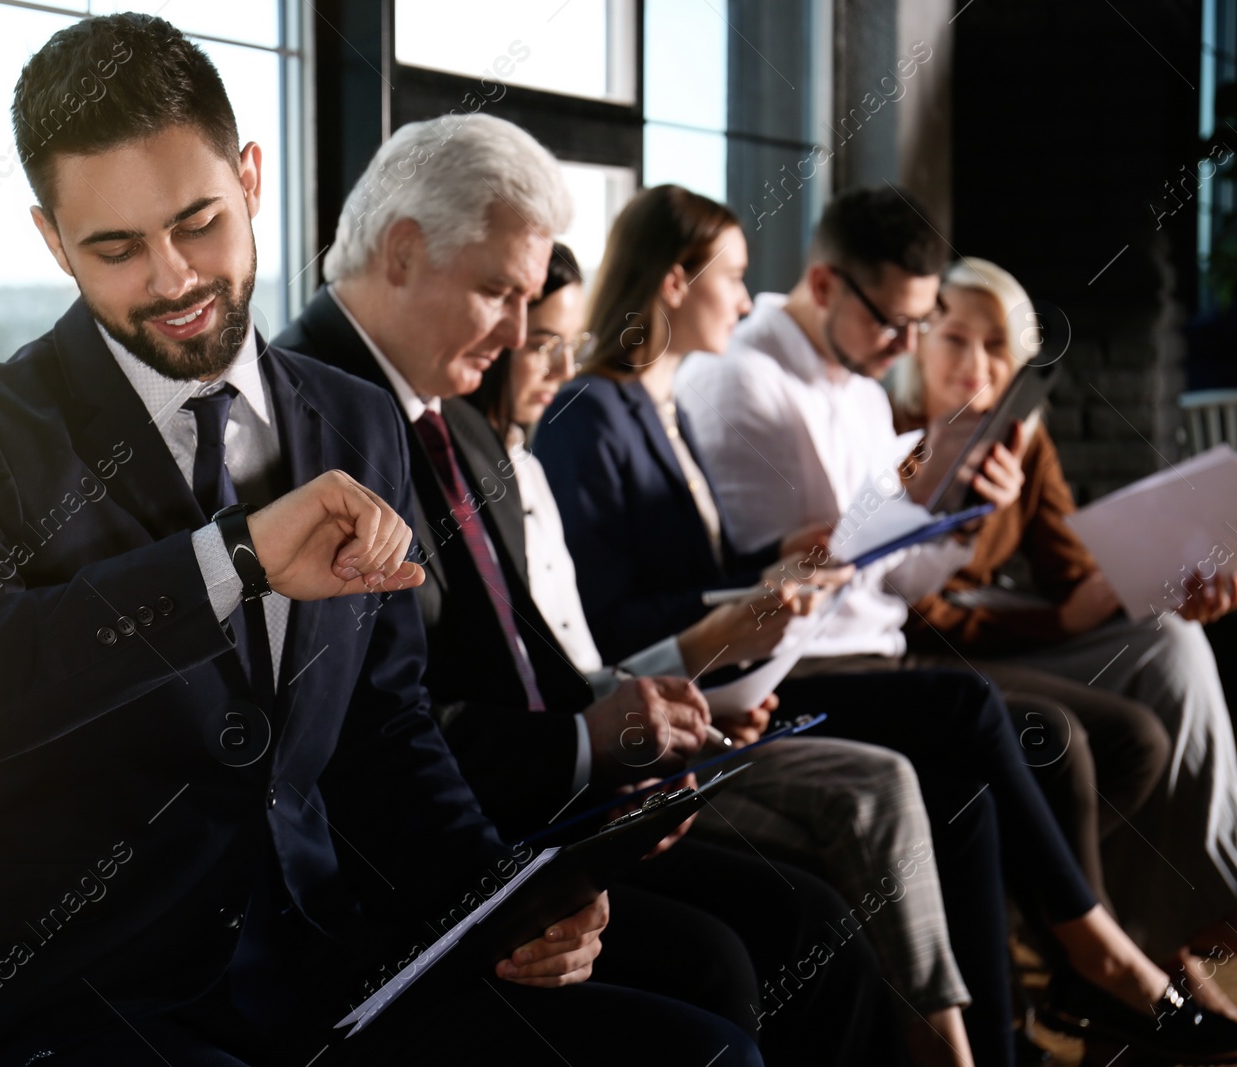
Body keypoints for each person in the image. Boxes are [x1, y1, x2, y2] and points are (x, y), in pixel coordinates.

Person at [0, 16, 760, 1066]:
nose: (172, 278)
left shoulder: (355, 416)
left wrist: (499, 897)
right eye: (113, 248)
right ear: (52, 241)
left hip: (327, 979)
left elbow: (384, 727)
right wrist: (227, 558)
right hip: (88, 1008)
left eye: (198, 222)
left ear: (249, 177)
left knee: (706, 1049)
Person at [553, 182, 1237, 1066]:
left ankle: (1033, 1007)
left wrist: (943, 501)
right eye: (906, 323)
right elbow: (742, 597)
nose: (912, 347)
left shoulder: (825, 395)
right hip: (796, 663)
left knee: (1026, 763)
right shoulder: (721, 389)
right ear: (830, 287)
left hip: (826, 646)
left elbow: (885, 572)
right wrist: (831, 548)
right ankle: (1093, 962)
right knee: (990, 727)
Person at [278, 114, 905, 1066]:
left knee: (807, 922)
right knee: (733, 965)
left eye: (528, 299)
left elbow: (522, 654)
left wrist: (618, 745)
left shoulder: (453, 416)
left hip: (520, 812)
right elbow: (367, 745)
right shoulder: (314, 422)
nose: (523, 334)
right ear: (400, 252)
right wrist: (536, 841)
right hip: (409, 879)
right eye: (498, 291)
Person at [470, 243, 981, 1067]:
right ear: (674, 279)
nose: (746, 300)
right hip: (617, 747)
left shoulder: (610, 425)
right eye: (541, 344)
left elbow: (594, 649)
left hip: (675, 710)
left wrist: (752, 609)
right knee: (816, 887)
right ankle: (962, 1042)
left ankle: (971, 1036)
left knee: (927, 799)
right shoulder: (594, 416)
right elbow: (595, 641)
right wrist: (720, 642)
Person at [892, 254, 1237, 1017]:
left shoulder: (1020, 436)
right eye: (954, 337)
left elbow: (1069, 570)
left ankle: (1187, 918)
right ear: (919, 339)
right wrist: (1060, 619)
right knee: (1125, 706)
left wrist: (1155, 583)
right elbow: (906, 611)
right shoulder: (888, 432)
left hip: (1001, 626)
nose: (976, 363)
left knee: (1174, 646)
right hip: (923, 645)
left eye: (997, 347)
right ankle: (1137, 941)